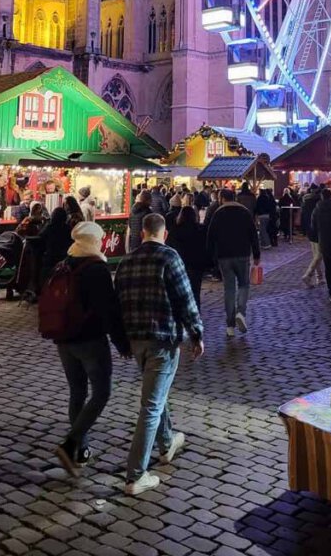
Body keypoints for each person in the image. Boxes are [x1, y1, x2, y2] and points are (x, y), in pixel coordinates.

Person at [115, 212, 204, 495]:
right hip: (162, 339)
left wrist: (122, 342)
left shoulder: (127, 260)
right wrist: (197, 333)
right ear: (163, 233)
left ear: (142, 233)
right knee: (151, 406)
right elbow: (185, 299)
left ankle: (167, 444)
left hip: (136, 339)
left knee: (156, 393)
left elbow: (119, 303)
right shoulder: (169, 258)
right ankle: (135, 474)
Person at [42, 222, 130, 476]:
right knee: (102, 392)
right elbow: (108, 311)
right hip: (89, 340)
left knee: (77, 392)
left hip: (64, 339)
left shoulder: (65, 263)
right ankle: (71, 443)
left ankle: (81, 451)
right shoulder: (96, 269)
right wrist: (121, 342)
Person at [206, 187, 260, 337]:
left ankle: (230, 325)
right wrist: (256, 253)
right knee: (244, 284)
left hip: (224, 256)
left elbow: (211, 236)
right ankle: (241, 312)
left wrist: (211, 258)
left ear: (222, 198)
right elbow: (253, 234)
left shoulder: (218, 213)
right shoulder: (244, 212)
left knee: (229, 289)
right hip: (242, 254)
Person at [167, 206, 207, 307]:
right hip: (196, 266)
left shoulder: (174, 231)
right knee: (195, 292)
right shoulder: (200, 230)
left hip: (179, 265)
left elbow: (169, 248)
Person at [39, 206, 73, 283]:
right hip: (65, 258)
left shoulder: (49, 227)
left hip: (51, 257)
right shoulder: (68, 228)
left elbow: (40, 237)